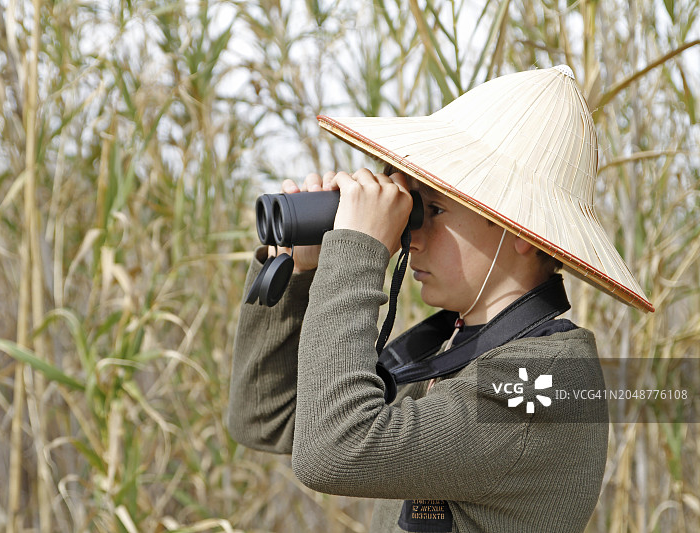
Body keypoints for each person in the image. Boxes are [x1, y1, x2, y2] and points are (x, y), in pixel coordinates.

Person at [226, 65, 653, 533]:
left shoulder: (546, 384)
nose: (415, 237)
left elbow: (332, 452)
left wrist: (357, 252)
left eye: (434, 209)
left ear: (521, 231)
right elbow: (266, 418)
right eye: (411, 210)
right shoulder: (450, 349)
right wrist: (300, 274)